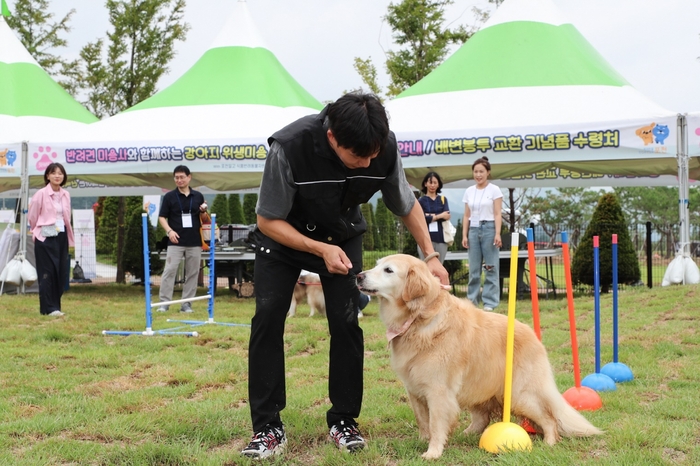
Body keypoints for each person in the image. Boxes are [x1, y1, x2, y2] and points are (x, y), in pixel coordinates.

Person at [241, 92, 449, 459]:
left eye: (373, 154)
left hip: (342, 234)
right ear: (333, 137)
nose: (368, 162)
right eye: (359, 157)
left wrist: (430, 255)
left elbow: (404, 203)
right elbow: (266, 219)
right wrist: (317, 249)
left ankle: (343, 420)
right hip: (282, 237)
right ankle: (268, 427)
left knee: (346, 319)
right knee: (268, 318)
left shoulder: (381, 147)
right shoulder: (289, 148)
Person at [157, 165, 208, 313]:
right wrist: (169, 231)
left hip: (194, 240)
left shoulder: (198, 196)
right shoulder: (169, 197)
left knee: (192, 273)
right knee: (170, 270)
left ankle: (186, 304)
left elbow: (203, 218)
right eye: (176, 178)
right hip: (175, 241)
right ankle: (164, 303)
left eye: (182, 177)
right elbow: (162, 217)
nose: (179, 180)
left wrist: (204, 211)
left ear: (189, 177)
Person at [27, 163, 75, 317]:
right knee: (47, 272)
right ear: (47, 176)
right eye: (53, 173)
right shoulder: (40, 194)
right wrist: (38, 230)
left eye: (60, 173)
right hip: (45, 236)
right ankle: (48, 308)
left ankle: (55, 306)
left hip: (61, 235)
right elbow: (32, 216)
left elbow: (67, 217)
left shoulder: (65, 194)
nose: (57, 176)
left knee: (61, 271)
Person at [462, 157, 503, 311]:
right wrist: (464, 235)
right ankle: (472, 302)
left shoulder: (494, 190)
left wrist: (497, 233)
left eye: (481, 171)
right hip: (473, 229)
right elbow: (466, 215)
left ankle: (490, 303)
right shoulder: (469, 191)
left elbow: (498, 213)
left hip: (489, 228)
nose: (478, 175)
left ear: (488, 172)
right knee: (474, 270)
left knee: (491, 267)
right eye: (476, 171)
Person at [417, 171, 451, 264]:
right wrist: (439, 216)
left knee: (440, 266)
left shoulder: (443, 199)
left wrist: (430, 216)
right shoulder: (420, 201)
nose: (432, 185)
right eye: (430, 182)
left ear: (438, 184)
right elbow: (421, 218)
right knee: (425, 266)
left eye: (435, 182)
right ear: (425, 184)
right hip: (425, 238)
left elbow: (447, 215)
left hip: (441, 238)